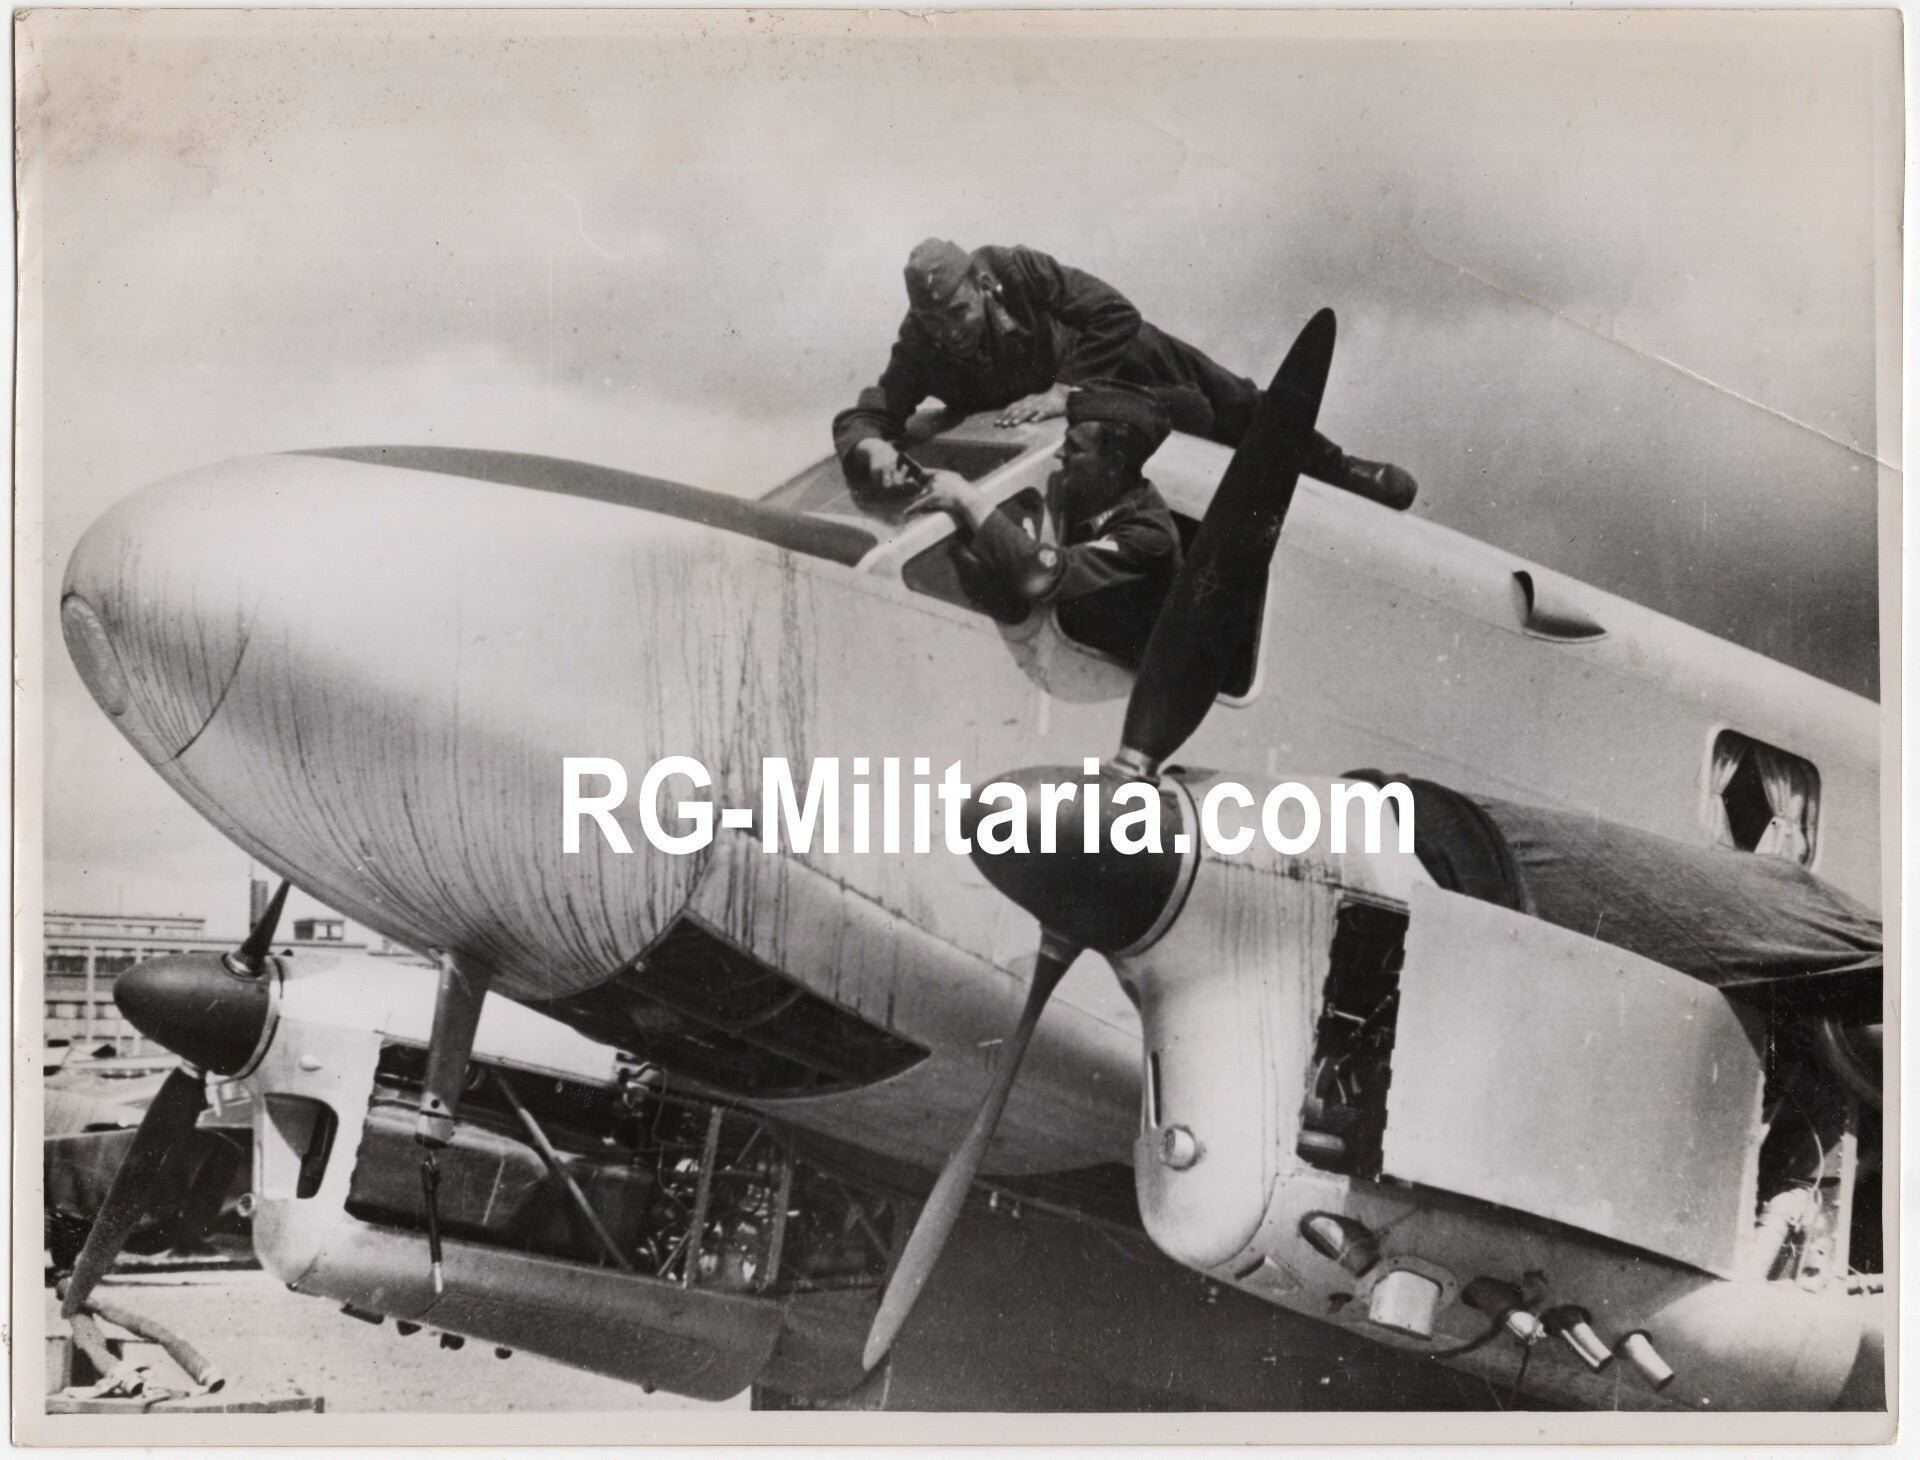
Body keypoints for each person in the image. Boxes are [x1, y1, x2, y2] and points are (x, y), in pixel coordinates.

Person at [835, 239, 1416, 509]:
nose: (949, 332)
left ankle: (1344, 471)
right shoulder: (921, 345)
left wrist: (1064, 389)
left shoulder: (1018, 270)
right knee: (1195, 419)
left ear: (983, 289)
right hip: (1090, 406)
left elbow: (1115, 313)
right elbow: (876, 406)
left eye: (958, 313)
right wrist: (869, 447)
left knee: (1236, 404)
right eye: (932, 321)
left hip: (1117, 355)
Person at [907, 379, 1184, 660]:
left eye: (1075, 448)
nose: (1059, 453)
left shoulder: (1149, 535)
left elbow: (1045, 575)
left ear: (1115, 463)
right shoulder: (1095, 490)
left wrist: (966, 499)